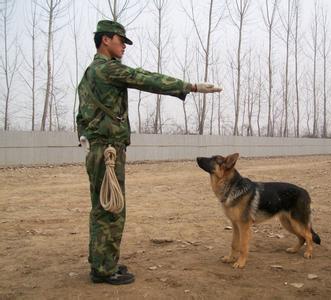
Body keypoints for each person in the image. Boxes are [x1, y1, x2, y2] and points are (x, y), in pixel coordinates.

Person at [76, 20, 222, 285]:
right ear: (106, 40)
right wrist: (189, 86)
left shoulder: (88, 74)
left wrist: (84, 137)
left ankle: (103, 262)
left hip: (98, 149)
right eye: (121, 41)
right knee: (111, 209)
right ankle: (103, 270)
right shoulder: (108, 69)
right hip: (108, 150)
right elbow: (145, 79)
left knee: (102, 205)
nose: (123, 47)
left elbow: (80, 113)